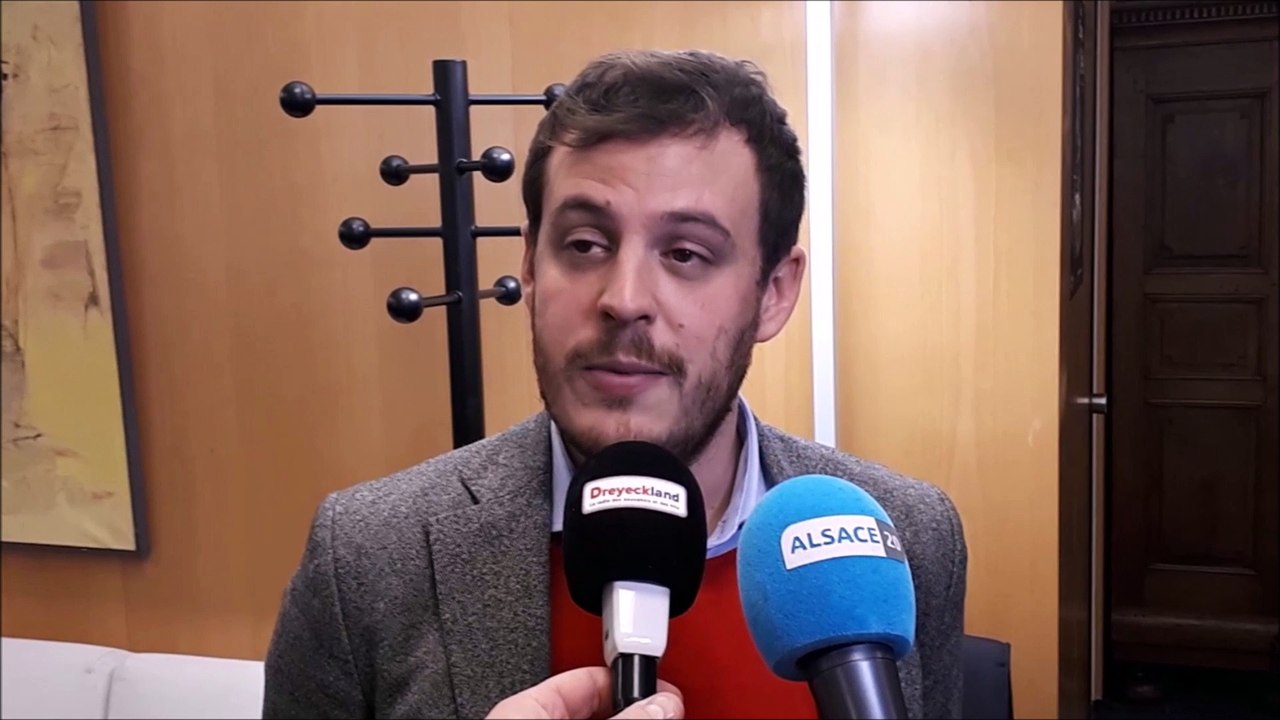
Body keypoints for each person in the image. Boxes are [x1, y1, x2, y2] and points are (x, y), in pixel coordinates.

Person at [263, 49, 967, 720]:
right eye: (584, 245)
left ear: (775, 292)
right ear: (531, 271)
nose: (624, 298)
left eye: (686, 253)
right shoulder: (364, 559)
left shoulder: (907, 536)